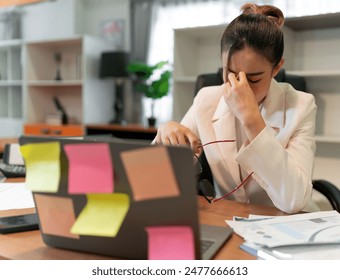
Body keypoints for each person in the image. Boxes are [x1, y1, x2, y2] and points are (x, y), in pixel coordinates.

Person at [153, 3, 317, 214]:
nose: (239, 87)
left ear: (277, 67)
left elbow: (294, 200)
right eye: (229, 73)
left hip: (282, 225)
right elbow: (158, 179)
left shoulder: (301, 106)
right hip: (228, 220)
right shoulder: (206, 99)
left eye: (253, 79)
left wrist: (252, 120)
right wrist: (166, 136)